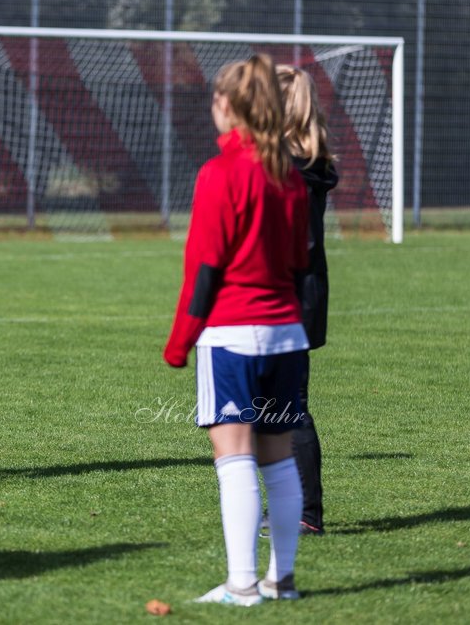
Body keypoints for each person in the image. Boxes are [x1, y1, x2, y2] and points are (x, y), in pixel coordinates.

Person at [162, 54, 310, 605]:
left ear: (228, 106)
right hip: (286, 335)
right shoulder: (288, 175)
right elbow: (299, 260)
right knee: (278, 458)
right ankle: (283, 580)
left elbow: (204, 270)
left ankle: (242, 585)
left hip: (231, 335)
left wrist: (179, 343)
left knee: (235, 459)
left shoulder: (220, 172)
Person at [277, 65, 338, 536]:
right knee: (277, 404)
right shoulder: (310, 161)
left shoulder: (283, 166)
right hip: (307, 292)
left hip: (286, 293)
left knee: (288, 405)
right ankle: (295, 508)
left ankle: (305, 513)